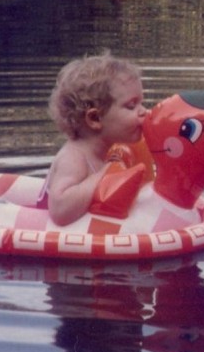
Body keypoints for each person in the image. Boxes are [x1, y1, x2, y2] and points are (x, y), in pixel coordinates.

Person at [41, 51, 147, 226]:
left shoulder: (110, 151)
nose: (144, 111)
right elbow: (59, 210)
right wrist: (105, 173)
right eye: (131, 106)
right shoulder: (74, 158)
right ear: (95, 119)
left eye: (142, 103)